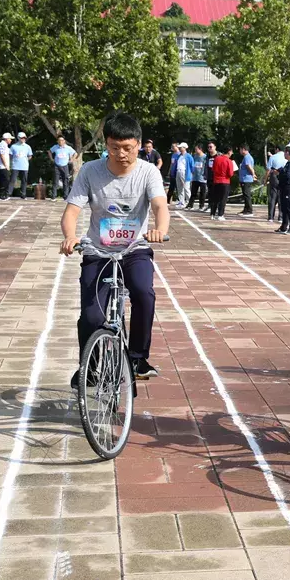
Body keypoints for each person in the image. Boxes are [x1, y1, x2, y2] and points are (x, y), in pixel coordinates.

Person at [60, 113, 169, 387]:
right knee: (92, 316)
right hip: (98, 251)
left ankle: (137, 358)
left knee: (144, 294)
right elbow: (72, 210)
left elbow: (159, 206)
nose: (121, 154)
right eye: (114, 147)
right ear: (106, 145)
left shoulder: (148, 172)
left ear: (139, 145)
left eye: (128, 148)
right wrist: (70, 236)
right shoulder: (90, 171)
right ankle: (90, 367)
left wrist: (160, 229)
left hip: (135, 250)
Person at [275, 147, 290, 235]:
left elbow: (288, 175)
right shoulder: (288, 163)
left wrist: (281, 171)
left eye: (285, 153)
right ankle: (284, 227)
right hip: (284, 188)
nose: (284, 155)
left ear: (288, 153)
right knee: (284, 208)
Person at [208, 141, 232, 221]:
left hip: (216, 181)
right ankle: (220, 215)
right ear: (229, 152)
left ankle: (212, 214)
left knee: (215, 198)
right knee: (223, 199)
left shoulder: (216, 159)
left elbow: (213, 169)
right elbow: (230, 173)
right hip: (225, 181)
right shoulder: (228, 161)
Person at [9, 132, 33, 200]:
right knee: (12, 180)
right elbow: (10, 155)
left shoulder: (27, 147)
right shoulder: (13, 146)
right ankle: (9, 193)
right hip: (15, 166)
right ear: (18, 138)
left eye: (24, 138)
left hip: (24, 166)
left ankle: (23, 194)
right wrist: (13, 160)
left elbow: (30, 156)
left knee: (24, 180)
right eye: (22, 138)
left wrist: (25, 160)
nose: (23, 139)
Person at [168, 142, 192, 209]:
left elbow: (192, 166)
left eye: (181, 147)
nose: (180, 148)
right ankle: (181, 202)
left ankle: (189, 202)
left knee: (186, 188)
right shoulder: (179, 156)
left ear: (184, 148)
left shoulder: (188, 156)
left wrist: (190, 174)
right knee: (179, 188)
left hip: (184, 173)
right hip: (178, 172)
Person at [265, 145, 285, 222]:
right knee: (281, 197)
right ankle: (281, 217)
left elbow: (268, 170)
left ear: (277, 149)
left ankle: (270, 217)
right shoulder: (286, 157)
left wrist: (265, 180)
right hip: (282, 176)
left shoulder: (273, 157)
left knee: (272, 197)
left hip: (274, 176)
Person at [187, 145, 207, 210]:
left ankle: (201, 206)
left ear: (200, 149)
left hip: (202, 178)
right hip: (195, 177)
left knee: (202, 193)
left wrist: (205, 175)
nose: (195, 151)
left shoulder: (205, 157)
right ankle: (190, 205)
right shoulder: (195, 156)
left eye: (196, 149)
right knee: (193, 192)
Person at [0, 133, 13, 200]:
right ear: (6, 139)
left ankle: (2, 195)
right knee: (4, 181)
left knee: (4, 180)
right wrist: (6, 165)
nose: (10, 140)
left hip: (4, 166)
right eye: (10, 138)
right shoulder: (2, 144)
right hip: (2, 166)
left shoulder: (5, 145)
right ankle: (0, 195)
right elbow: (2, 155)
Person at [239, 145, 256, 216]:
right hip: (244, 178)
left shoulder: (247, 157)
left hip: (246, 179)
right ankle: (246, 209)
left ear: (244, 149)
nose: (239, 151)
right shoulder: (246, 157)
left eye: (240, 149)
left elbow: (249, 166)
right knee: (245, 194)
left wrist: (253, 174)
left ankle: (249, 210)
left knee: (247, 195)